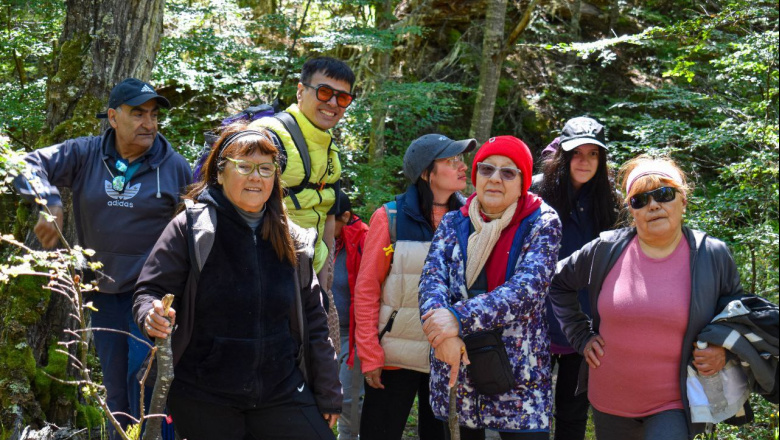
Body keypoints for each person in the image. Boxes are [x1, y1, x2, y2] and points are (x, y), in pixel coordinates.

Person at [133, 125, 341, 439]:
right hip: (204, 391)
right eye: (244, 166)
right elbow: (150, 290)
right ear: (219, 173)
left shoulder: (292, 239)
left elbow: (314, 320)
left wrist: (328, 392)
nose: (256, 177)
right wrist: (151, 313)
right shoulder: (191, 229)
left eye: (266, 169)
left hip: (280, 389)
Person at [13, 78, 191, 437]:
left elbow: (194, 229)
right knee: (114, 386)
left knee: (146, 380)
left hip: (152, 295)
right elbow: (25, 163)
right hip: (101, 292)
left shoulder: (174, 167)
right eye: (137, 113)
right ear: (112, 117)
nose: (149, 123)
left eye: (154, 115)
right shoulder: (85, 153)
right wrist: (49, 201)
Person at [548, 155, 751, 439]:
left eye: (664, 194)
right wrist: (580, 335)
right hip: (609, 401)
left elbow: (734, 313)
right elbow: (557, 282)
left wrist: (723, 349)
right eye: (640, 200)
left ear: (683, 200)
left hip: (675, 402)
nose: (653, 205)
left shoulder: (711, 254)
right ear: (631, 210)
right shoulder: (605, 249)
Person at [419, 135, 562, 440]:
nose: (495, 179)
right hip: (458, 367)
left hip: (518, 377)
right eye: (487, 169)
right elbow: (432, 281)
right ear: (476, 176)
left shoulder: (541, 222)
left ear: (523, 180)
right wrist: (440, 333)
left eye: (508, 172)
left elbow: (526, 291)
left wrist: (456, 318)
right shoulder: (453, 222)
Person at [354, 134, 476, 440]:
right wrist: (370, 354)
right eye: (451, 161)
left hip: (445, 353)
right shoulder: (391, 217)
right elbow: (367, 289)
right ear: (426, 173)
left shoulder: (470, 219)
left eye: (460, 159)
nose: (462, 166)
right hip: (394, 355)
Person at [248, 57, 356, 348]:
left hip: (311, 273)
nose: (332, 103)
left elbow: (328, 211)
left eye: (342, 97)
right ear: (300, 91)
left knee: (316, 359)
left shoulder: (328, 146)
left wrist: (325, 277)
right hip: (270, 273)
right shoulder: (270, 135)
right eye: (324, 92)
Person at [534, 116, 622, 440]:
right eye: (577, 153)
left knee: (572, 416)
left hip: (582, 327)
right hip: (536, 324)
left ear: (602, 159)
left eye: (593, 154)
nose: (585, 161)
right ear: (564, 155)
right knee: (532, 414)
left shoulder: (611, 201)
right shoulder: (535, 192)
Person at [332, 190, 369, 440]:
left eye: (329, 218)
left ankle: (349, 436)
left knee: (347, 396)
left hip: (352, 333)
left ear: (345, 216)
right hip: (323, 331)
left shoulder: (364, 239)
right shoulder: (319, 239)